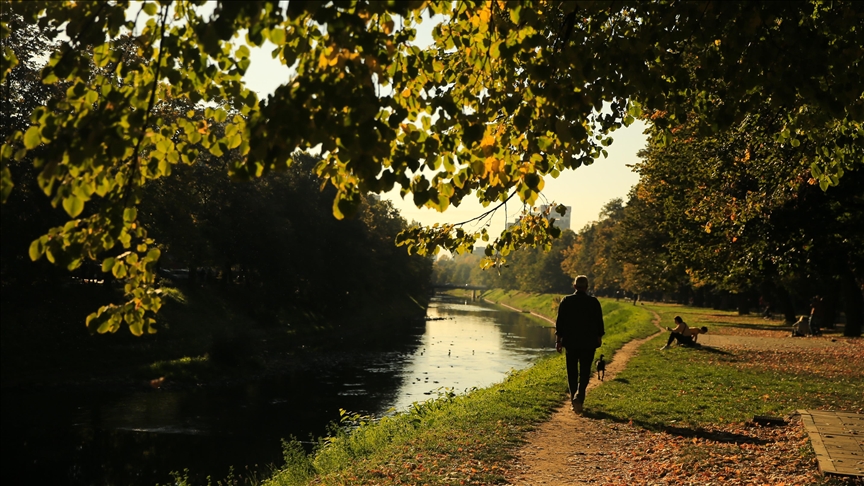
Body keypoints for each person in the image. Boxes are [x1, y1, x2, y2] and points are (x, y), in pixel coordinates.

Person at [555, 275, 605, 414]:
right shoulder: (593, 302)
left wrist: (558, 341)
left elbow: (560, 323)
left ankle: (573, 400)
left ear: (575, 286)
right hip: (588, 343)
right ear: (587, 287)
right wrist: (599, 337)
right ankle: (579, 396)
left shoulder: (566, 301)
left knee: (572, 372)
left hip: (571, 342)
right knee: (584, 371)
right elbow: (599, 322)